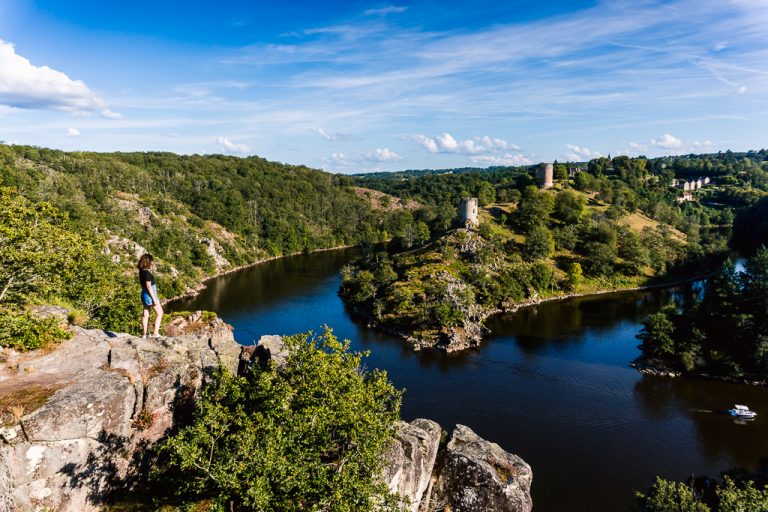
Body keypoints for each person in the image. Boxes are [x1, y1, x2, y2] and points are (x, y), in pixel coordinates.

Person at [137, 253, 163, 338]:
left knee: (145, 314)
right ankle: (155, 333)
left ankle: (145, 334)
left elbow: (144, 286)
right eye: (151, 261)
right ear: (148, 262)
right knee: (159, 313)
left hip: (144, 294)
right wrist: (154, 299)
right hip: (149, 295)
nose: (152, 263)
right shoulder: (147, 273)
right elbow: (149, 286)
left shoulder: (141, 272)